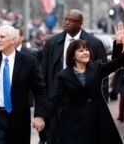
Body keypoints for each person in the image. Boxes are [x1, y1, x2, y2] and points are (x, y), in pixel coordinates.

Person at [47, 38, 124, 144]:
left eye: (86, 50)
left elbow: (115, 63)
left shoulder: (97, 67)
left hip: (98, 118)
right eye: (81, 51)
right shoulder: (64, 75)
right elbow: (55, 101)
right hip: (75, 122)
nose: (85, 53)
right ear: (73, 55)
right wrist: (43, 119)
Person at [42, 9, 109, 143]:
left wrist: (102, 104)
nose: (67, 23)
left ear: (80, 24)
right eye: (66, 19)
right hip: (57, 102)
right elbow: (44, 74)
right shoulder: (52, 42)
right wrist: (43, 109)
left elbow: (103, 77)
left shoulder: (94, 43)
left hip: (83, 106)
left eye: (71, 20)